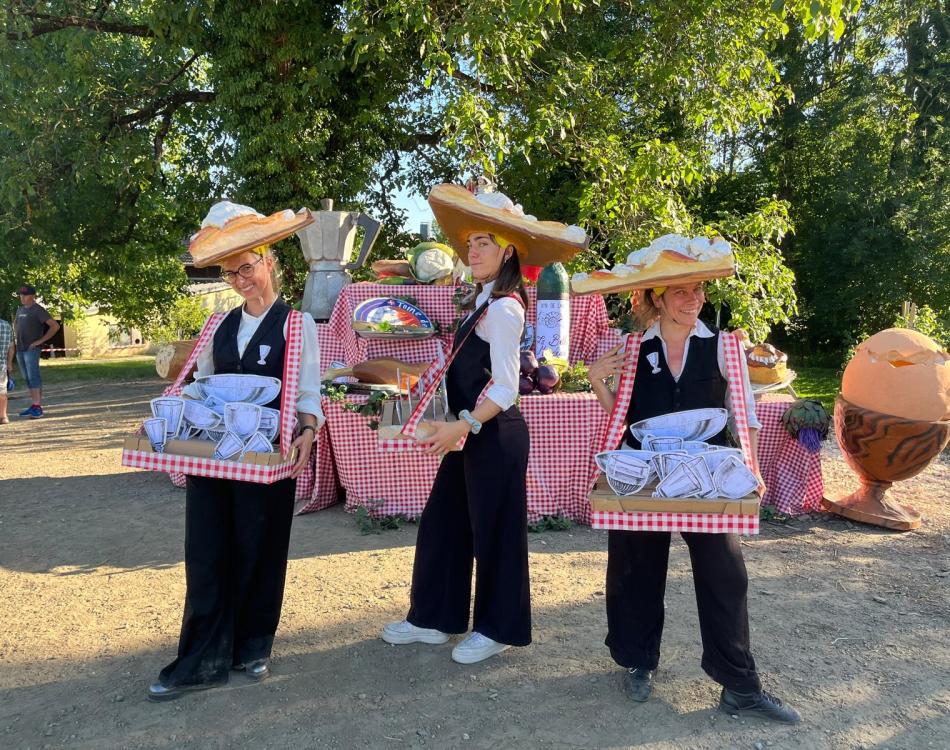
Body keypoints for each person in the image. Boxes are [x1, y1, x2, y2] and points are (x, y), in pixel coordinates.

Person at [382, 183, 587, 664]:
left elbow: (506, 386)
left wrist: (465, 424)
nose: (472, 251)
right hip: (469, 432)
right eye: (470, 243)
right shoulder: (481, 300)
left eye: (484, 243)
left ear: (508, 251)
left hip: (492, 434)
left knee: (495, 531)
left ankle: (497, 627)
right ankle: (434, 619)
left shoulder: (506, 306)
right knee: (445, 523)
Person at [587, 280, 801, 724]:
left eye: (699, 290)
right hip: (643, 474)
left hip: (708, 475)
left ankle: (740, 686)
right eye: (680, 291)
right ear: (657, 298)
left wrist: (753, 468)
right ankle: (638, 661)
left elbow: (744, 413)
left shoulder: (724, 345)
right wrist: (596, 380)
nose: (693, 299)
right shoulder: (632, 346)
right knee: (635, 567)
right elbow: (621, 417)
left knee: (725, 572)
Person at [148, 202, 324, 702]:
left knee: (260, 546)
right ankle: (202, 655)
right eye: (230, 272)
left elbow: (307, 391)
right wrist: (175, 407)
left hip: (268, 453)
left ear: (269, 260)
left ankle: (253, 644)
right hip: (213, 452)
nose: (240, 279)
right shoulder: (216, 326)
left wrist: (308, 429)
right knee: (206, 549)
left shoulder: (297, 324)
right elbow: (199, 387)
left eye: (247, 267)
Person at [14, 284, 60, 418]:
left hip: (32, 349)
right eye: (21, 295)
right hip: (20, 349)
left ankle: (37, 407)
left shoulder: (38, 310)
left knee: (33, 376)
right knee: (27, 377)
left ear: (33, 296)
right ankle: (35, 405)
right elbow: (16, 325)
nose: (22, 297)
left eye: (25, 295)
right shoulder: (20, 310)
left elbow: (54, 326)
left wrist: (39, 341)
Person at [0, 317, 14, 424]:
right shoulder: (6, 325)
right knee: (2, 391)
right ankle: (3, 416)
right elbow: (11, 346)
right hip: (2, 364)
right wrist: (9, 363)